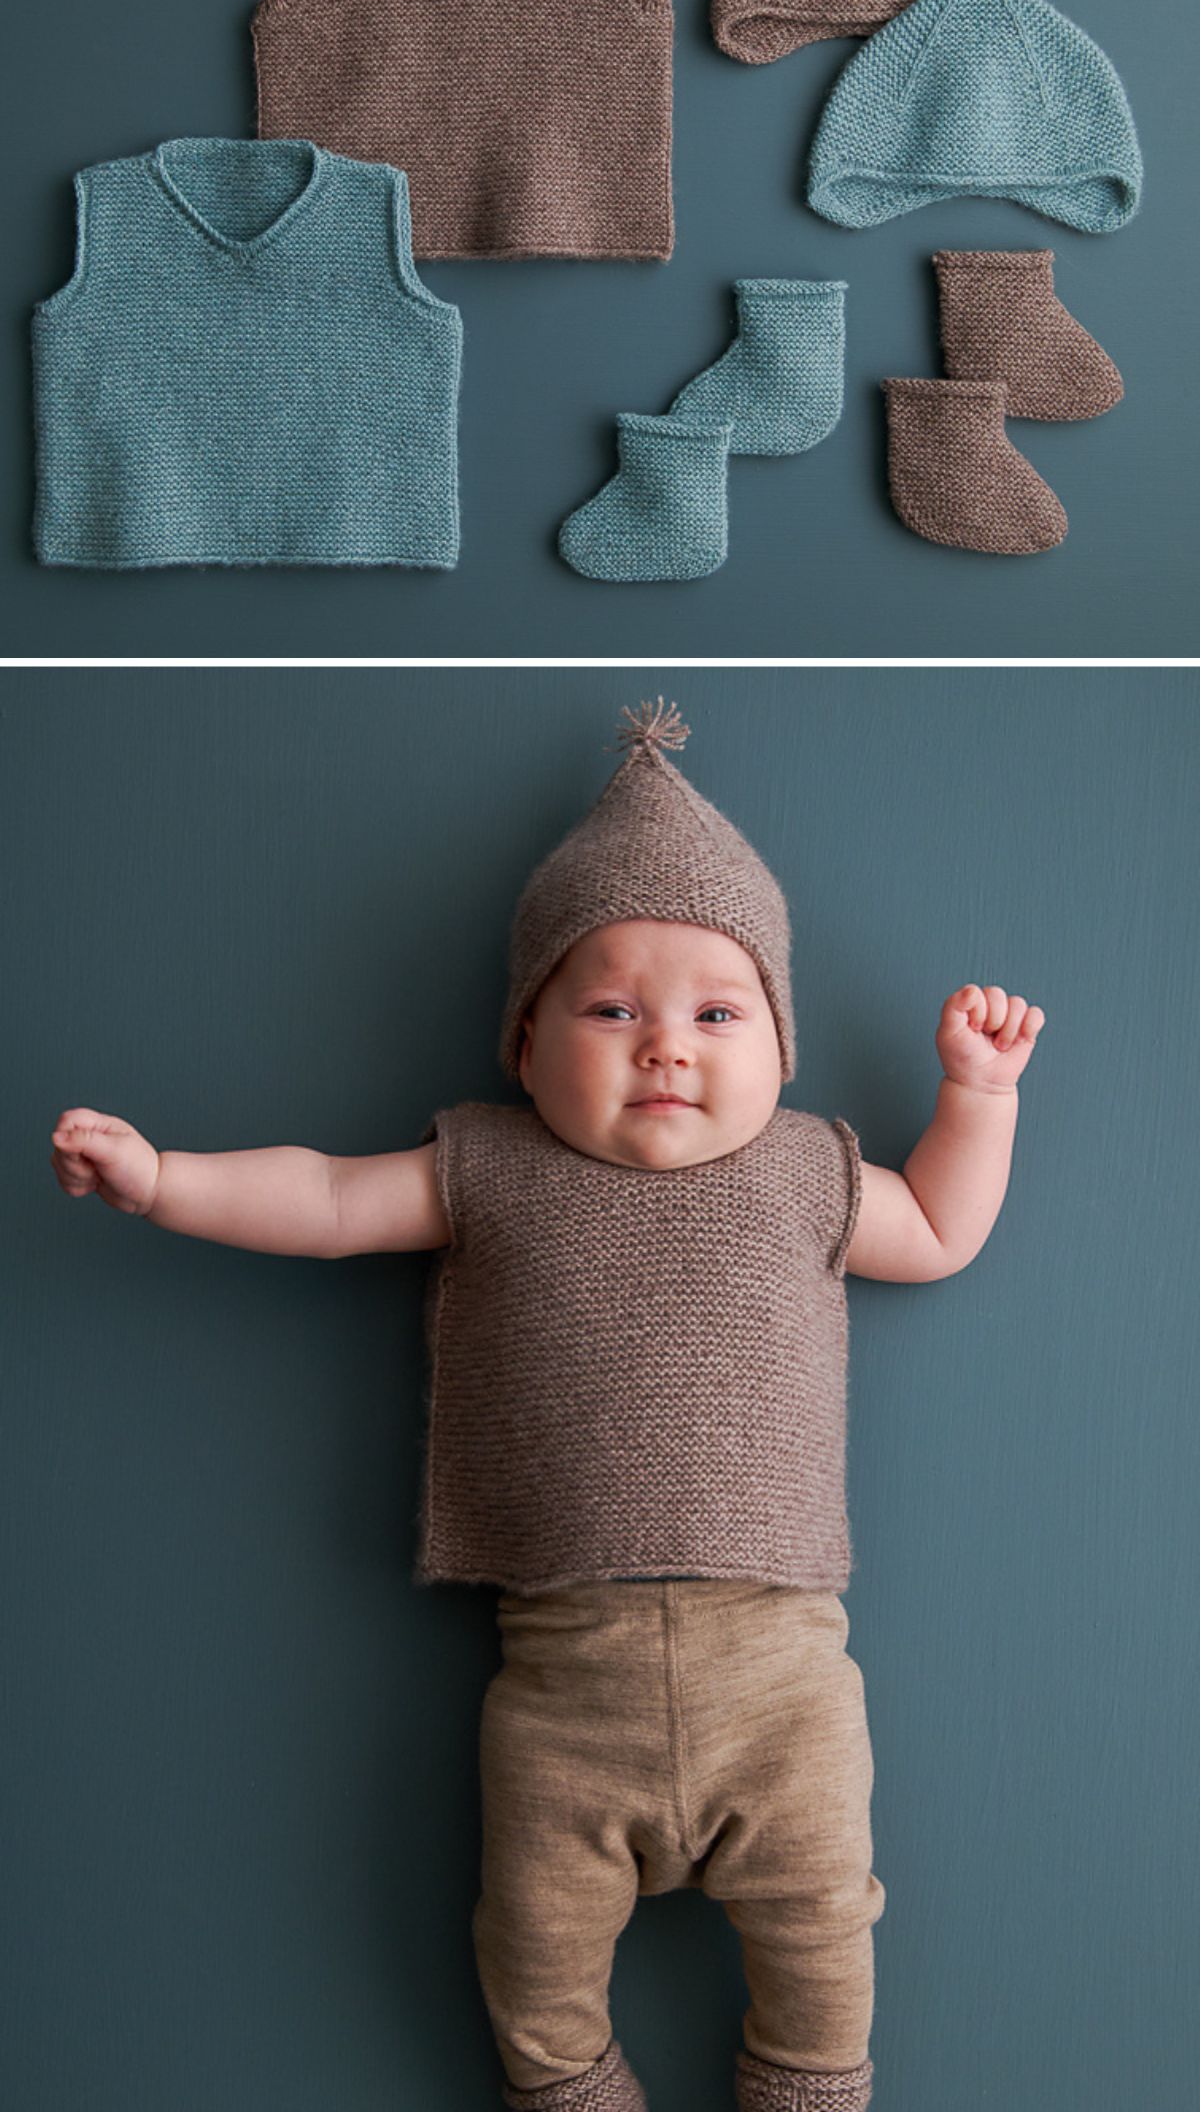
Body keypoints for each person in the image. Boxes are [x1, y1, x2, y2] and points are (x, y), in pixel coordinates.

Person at [49, 700, 1044, 2112]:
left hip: (785, 1675)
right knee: (530, 1941)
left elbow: (941, 1228)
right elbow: (330, 1197)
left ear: (782, 1049)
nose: (665, 1047)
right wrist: (168, 1181)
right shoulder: (490, 1164)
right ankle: (571, 2086)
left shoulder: (807, 1175)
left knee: (828, 1919)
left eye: (716, 1012)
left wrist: (978, 1095)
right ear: (524, 1048)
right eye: (611, 1008)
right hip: (562, 1678)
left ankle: (812, 2082)